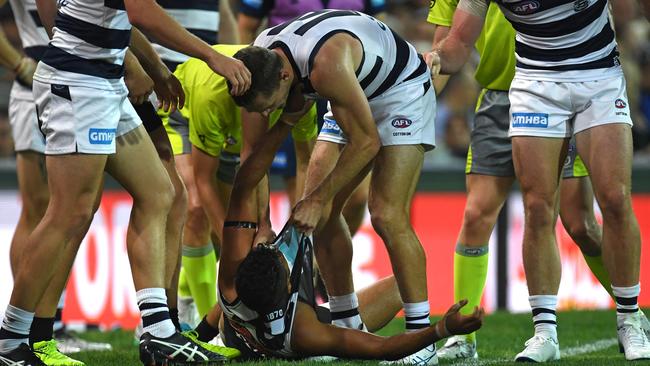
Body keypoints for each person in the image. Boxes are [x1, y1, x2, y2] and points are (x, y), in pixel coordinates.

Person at [0, 0, 251, 365]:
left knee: (160, 193)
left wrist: (156, 69)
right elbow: (142, 13)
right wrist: (213, 57)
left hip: (104, 78)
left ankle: (158, 331)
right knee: (68, 213)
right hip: (79, 82)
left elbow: (121, 19)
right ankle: (12, 339)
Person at [426, 0, 650, 360]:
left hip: (598, 78)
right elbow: (458, 43)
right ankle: (545, 333)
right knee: (537, 205)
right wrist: (435, 58)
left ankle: (629, 319)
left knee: (614, 198)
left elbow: (629, 11)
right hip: (535, 84)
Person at [232, 9, 439, 364]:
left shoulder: (324, 65)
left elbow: (367, 143)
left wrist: (317, 198)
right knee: (316, 216)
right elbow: (253, 158)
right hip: (351, 91)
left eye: (272, 107)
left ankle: (422, 339)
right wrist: (263, 221)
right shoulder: (260, 59)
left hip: (400, 89)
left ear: (285, 77)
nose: (269, 114)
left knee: (386, 214)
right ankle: (348, 323)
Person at [216, 111, 484, 360]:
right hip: (304, 333)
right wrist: (442, 328)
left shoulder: (232, 291)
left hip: (244, 332)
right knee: (398, 285)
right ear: (288, 289)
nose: (277, 247)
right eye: (281, 258)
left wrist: (199, 338)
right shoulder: (306, 331)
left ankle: (345, 315)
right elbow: (383, 348)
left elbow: (243, 185)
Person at [160, 43, 318, 322]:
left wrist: (294, 234)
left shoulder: (302, 97)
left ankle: (187, 285)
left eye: (270, 108)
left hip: (234, 135)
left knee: (237, 228)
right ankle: (213, 323)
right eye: (261, 110)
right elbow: (203, 179)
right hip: (182, 111)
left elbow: (303, 164)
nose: (268, 115)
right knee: (197, 211)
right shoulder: (214, 97)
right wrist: (238, 247)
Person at [152, 0, 239, 327]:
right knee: (194, 206)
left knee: (216, 212)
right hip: (165, 90)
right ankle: (211, 328)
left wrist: (226, 58)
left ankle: (185, 293)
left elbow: (224, 15)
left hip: (213, 87)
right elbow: (134, 15)